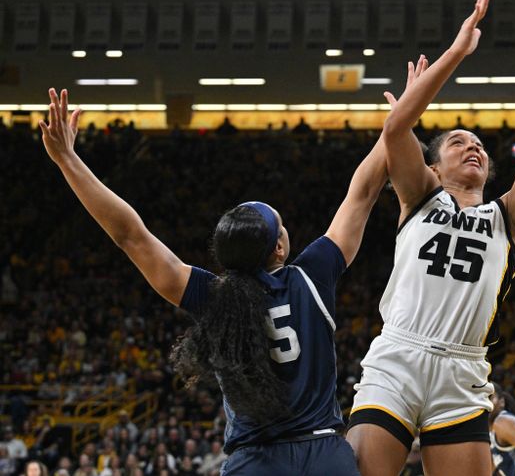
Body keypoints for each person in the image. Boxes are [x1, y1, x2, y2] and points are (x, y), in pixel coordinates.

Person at [38, 68, 416, 476]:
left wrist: (68, 160)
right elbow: (362, 191)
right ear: (279, 247)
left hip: (255, 462)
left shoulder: (213, 296)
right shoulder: (311, 275)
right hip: (323, 453)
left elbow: (129, 234)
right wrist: (399, 121)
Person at [346, 0, 515, 476]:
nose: (474, 148)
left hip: (463, 373)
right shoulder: (420, 196)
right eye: (458, 142)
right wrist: (458, 52)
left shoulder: (509, 217)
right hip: (398, 355)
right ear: (435, 167)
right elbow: (396, 130)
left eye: (480, 145)